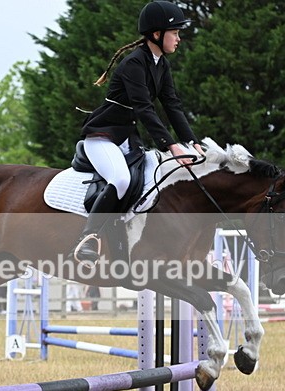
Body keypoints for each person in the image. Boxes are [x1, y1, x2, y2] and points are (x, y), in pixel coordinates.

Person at [71, 1, 206, 267]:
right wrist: (171, 146)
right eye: (175, 33)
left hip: (127, 139)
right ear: (157, 34)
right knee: (120, 180)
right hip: (102, 137)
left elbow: (172, 104)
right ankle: (89, 237)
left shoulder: (160, 64)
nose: (179, 38)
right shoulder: (134, 63)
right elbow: (144, 108)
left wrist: (192, 142)